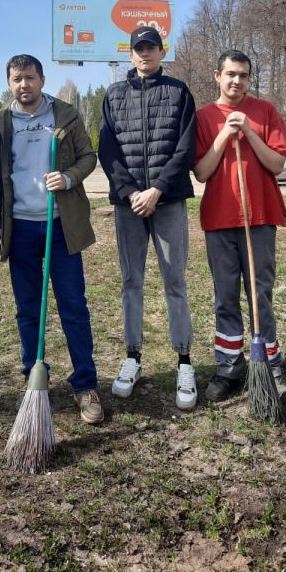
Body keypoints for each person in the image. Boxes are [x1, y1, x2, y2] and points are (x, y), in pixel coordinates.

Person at [0, 54, 103, 425]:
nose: (24, 85)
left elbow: (88, 157)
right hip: (20, 228)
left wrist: (67, 178)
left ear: (42, 79)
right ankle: (34, 380)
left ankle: (85, 385)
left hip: (59, 225)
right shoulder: (1, 123)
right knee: (28, 309)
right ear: (9, 82)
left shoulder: (64, 114)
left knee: (73, 306)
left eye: (30, 78)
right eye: (17, 79)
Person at [98, 26, 197, 409]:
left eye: (151, 48)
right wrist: (131, 192)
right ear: (131, 53)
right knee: (131, 282)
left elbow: (185, 147)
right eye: (139, 48)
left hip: (168, 201)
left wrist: (156, 189)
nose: (145, 54)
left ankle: (184, 360)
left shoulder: (177, 92)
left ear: (161, 51)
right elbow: (108, 149)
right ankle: (132, 357)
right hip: (128, 205)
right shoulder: (114, 95)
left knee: (176, 282)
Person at [194, 49, 286, 403]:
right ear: (217, 75)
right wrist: (223, 136)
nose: (237, 81)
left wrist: (250, 132)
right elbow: (202, 172)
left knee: (260, 293)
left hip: (260, 217)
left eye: (244, 75)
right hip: (220, 219)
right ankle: (229, 367)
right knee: (225, 296)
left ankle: (270, 367)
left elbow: (277, 164)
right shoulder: (204, 117)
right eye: (231, 74)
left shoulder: (265, 111)